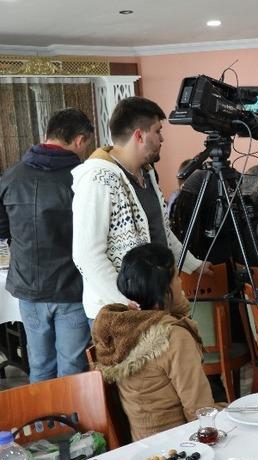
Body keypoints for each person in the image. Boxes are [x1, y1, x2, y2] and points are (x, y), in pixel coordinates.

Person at [72, 96, 210, 321]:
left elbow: (162, 231)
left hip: (153, 304)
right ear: (139, 135)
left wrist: (194, 264)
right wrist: (123, 301)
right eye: (157, 131)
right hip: (118, 312)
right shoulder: (98, 179)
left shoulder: (147, 172)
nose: (162, 138)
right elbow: (86, 255)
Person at [0, 108, 94, 383]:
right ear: (79, 140)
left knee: (40, 365)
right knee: (72, 369)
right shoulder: (81, 178)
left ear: (47, 134)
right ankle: (72, 413)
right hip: (71, 287)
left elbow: (2, 229)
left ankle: (41, 413)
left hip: (28, 287)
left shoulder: (11, 176)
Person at [91, 244, 215, 441]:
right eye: (176, 277)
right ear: (164, 290)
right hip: (180, 445)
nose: (181, 282)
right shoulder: (173, 336)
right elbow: (199, 412)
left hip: (141, 444)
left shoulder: (122, 328)